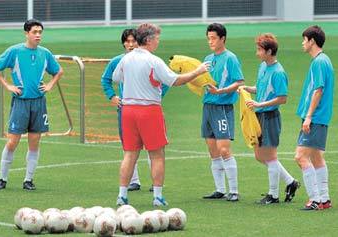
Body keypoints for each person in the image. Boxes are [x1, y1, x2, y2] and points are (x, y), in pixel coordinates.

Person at [112, 23, 209, 206]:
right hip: (149, 110)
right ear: (148, 40)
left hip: (128, 110)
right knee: (156, 154)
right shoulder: (154, 61)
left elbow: (117, 78)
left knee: (130, 154)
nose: (158, 41)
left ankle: (122, 195)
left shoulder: (126, 59)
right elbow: (175, 81)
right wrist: (197, 71)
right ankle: (157, 197)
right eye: (157, 38)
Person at [0, 19, 63, 190]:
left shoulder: (45, 53)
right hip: (21, 103)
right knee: (13, 141)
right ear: (26, 33)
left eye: (40, 32)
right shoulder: (14, 51)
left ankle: (28, 180)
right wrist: (7, 85)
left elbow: (58, 71)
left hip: (39, 103)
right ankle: (2, 178)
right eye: (34, 32)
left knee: (34, 141)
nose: (38, 35)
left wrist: (50, 85)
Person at [101, 28, 168, 192]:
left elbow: (164, 83)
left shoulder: (148, 60)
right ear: (123, 43)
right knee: (130, 147)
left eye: (133, 41)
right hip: (125, 109)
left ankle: (154, 184)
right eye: (127, 41)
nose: (130, 45)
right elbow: (106, 80)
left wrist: (157, 97)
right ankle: (135, 181)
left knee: (151, 147)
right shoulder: (118, 60)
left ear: (139, 42)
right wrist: (112, 96)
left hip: (143, 109)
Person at [241, 33, 300, 204]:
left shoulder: (279, 72)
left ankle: (273, 195)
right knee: (260, 156)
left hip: (270, 117)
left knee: (271, 156)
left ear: (269, 51)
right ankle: (291, 182)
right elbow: (260, 88)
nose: (257, 53)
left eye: (259, 50)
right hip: (259, 116)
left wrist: (260, 105)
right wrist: (247, 89)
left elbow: (282, 98)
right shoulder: (262, 67)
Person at [202, 23, 244, 202]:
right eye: (208, 38)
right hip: (208, 107)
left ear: (223, 39)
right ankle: (219, 189)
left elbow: (239, 82)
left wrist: (220, 91)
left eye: (213, 38)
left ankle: (234, 191)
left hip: (223, 108)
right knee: (213, 150)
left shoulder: (231, 58)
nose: (210, 41)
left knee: (224, 149)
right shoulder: (208, 59)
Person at [295, 25, 334, 210]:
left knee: (300, 157)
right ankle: (324, 199)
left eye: (304, 40)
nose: (302, 43)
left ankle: (315, 199)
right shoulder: (324, 60)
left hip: (315, 117)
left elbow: (318, 90)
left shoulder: (319, 62)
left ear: (312, 41)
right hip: (321, 117)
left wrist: (308, 117)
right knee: (317, 157)